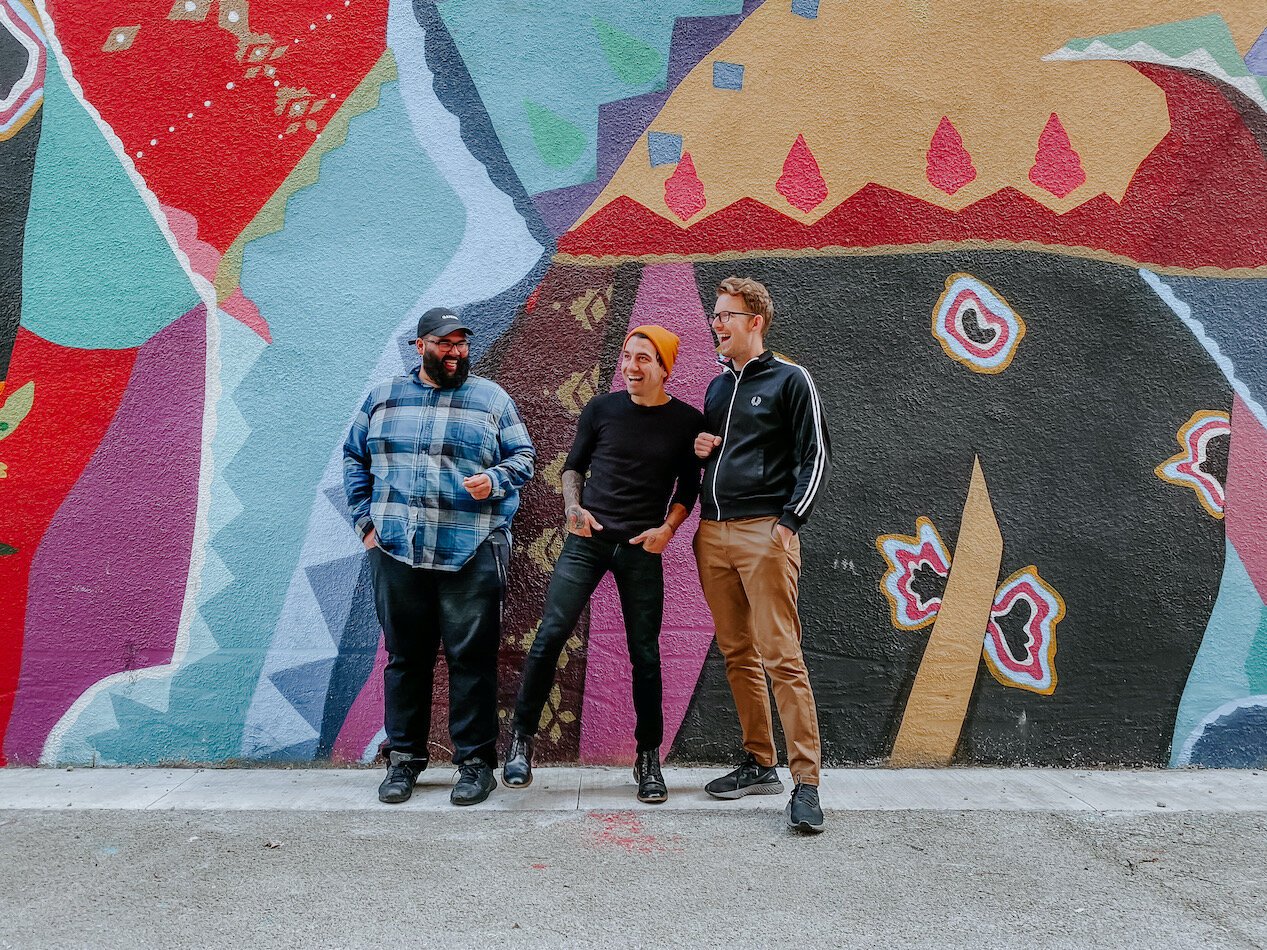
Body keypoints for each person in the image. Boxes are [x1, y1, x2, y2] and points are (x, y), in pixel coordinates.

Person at [343, 307, 535, 806]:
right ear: (420, 346)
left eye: (461, 343)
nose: (455, 352)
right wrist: (366, 526)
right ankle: (404, 761)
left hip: (471, 549)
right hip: (395, 551)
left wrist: (494, 480)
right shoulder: (382, 399)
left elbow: (524, 457)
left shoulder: (491, 399)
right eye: (445, 343)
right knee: (405, 659)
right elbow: (354, 457)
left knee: (472, 661)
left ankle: (475, 765)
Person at [503, 326, 704, 803]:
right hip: (587, 540)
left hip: (641, 548)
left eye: (644, 359)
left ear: (664, 368)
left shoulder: (685, 422)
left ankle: (648, 759)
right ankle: (520, 743)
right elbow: (573, 466)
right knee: (551, 635)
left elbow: (688, 488)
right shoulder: (601, 409)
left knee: (646, 655)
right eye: (627, 357)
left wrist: (668, 530)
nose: (631, 367)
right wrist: (573, 508)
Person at [693, 277, 832, 833]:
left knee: (782, 656)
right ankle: (759, 761)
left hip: (764, 534)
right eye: (715, 315)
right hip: (713, 534)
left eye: (726, 315)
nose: (716, 323)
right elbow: (720, 451)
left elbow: (815, 453)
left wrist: (789, 523)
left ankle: (808, 784)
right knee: (737, 654)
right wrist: (704, 449)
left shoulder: (790, 379)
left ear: (756, 321)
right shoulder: (716, 388)